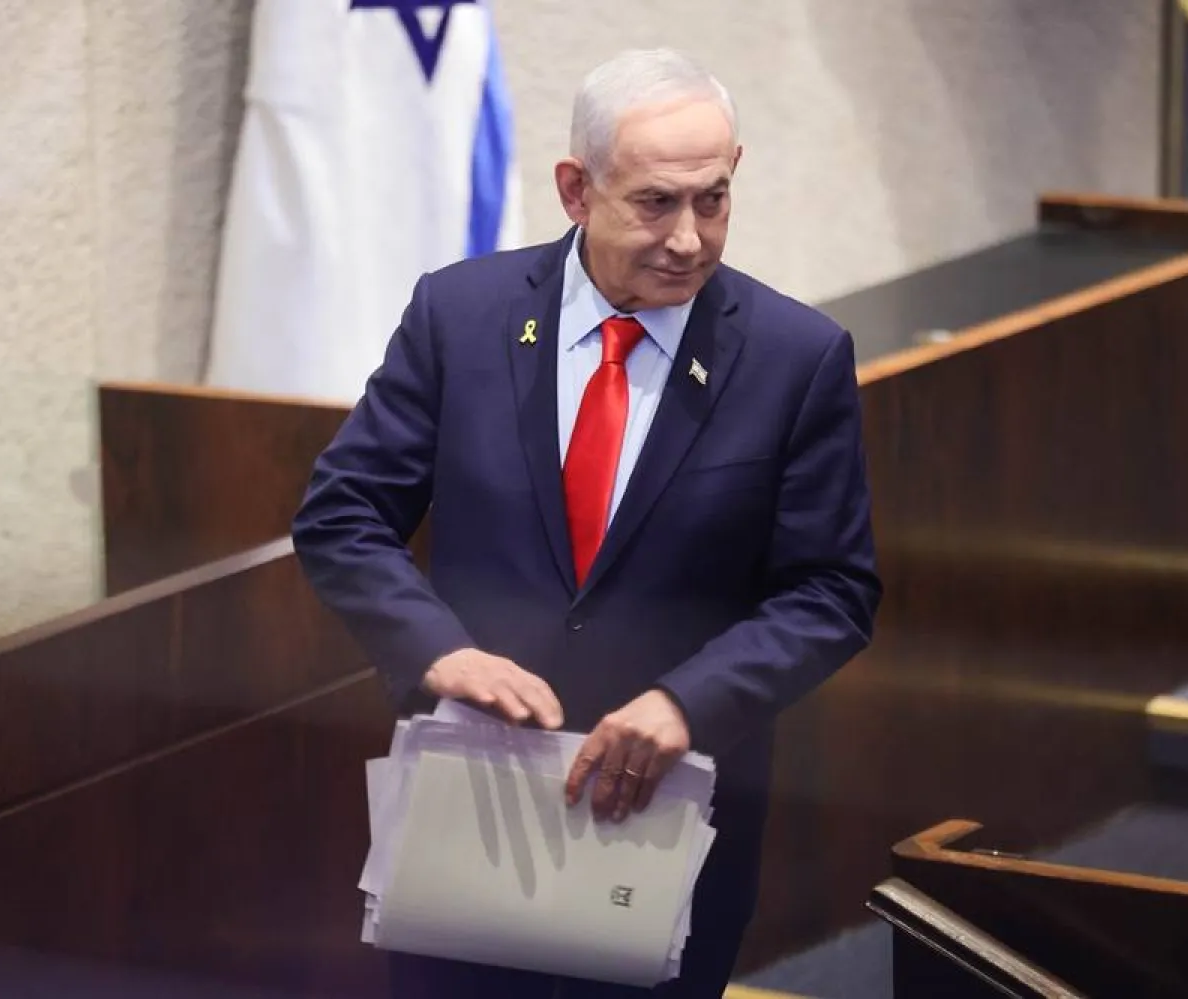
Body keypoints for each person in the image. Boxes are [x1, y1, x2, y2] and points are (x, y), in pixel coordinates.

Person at [293, 47, 881, 999]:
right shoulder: (462, 315)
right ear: (576, 189)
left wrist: (688, 703)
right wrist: (439, 652)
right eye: (656, 202)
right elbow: (342, 514)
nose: (690, 238)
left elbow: (832, 590)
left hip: (663, 825)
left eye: (715, 199)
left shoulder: (796, 359)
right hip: (471, 808)